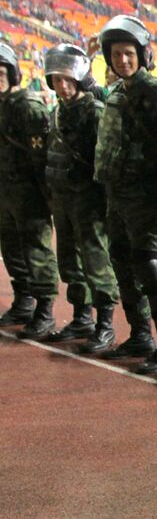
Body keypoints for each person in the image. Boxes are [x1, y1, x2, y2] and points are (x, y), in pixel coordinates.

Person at [92, 15, 157, 373]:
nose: (123, 60)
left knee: (147, 266)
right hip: (117, 194)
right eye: (116, 55)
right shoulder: (116, 94)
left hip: (145, 199)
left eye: (129, 53)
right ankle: (140, 334)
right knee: (121, 263)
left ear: (143, 55)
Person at [41, 44, 119, 349]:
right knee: (69, 261)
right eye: (57, 80)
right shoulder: (56, 113)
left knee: (96, 260)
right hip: (62, 199)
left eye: (67, 80)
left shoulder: (95, 112)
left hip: (88, 200)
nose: (62, 85)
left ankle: (104, 324)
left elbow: (106, 159)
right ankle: (81, 317)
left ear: (79, 79)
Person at [0, 41, 60, 337]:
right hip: (5, 192)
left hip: (30, 193)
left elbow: (41, 159)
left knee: (36, 249)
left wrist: (47, 198)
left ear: (13, 75)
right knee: (11, 248)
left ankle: (45, 309)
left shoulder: (29, 108)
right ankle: (23, 299)